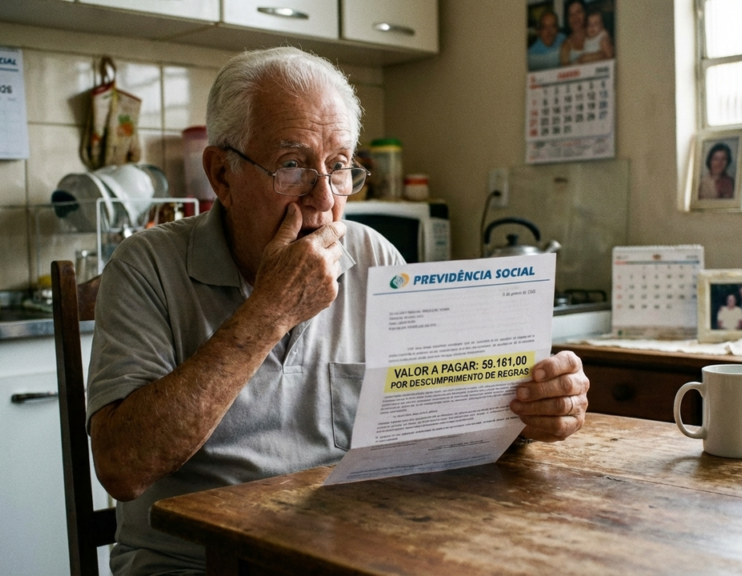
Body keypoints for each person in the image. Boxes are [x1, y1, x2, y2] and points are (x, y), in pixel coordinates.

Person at [85, 47, 590, 575]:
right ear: (222, 175)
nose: (324, 199)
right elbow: (123, 469)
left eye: (339, 166)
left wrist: (530, 410)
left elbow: (440, 428)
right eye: (291, 165)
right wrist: (269, 311)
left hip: (345, 552)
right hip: (197, 563)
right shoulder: (145, 266)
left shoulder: (375, 258)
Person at [558, 0, 588, 66]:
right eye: (571, 14)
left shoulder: (597, 33)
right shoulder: (565, 46)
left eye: (578, 12)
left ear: (585, 13)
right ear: (567, 19)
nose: (575, 18)